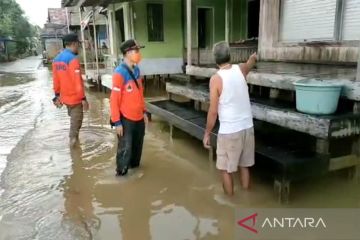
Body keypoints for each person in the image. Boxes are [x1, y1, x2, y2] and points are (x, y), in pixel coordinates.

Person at [203, 41, 257, 196]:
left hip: (230, 132)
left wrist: (207, 133)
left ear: (215, 59)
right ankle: (247, 199)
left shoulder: (216, 79)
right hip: (247, 127)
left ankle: (230, 203)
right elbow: (250, 63)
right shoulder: (240, 69)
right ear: (230, 56)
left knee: (224, 169)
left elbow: (213, 112)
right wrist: (254, 57)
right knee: (244, 166)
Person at [110, 39, 148, 177]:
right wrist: (117, 122)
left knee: (137, 152)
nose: (139, 53)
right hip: (125, 119)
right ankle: (121, 175)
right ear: (128, 53)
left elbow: (140, 93)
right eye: (136, 51)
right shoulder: (119, 73)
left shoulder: (136, 70)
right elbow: (114, 99)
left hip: (139, 117)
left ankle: (135, 175)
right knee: (124, 151)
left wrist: (144, 112)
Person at [52, 33, 89, 147]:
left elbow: (56, 80)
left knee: (74, 121)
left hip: (65, 98)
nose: (78, 46)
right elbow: (77, 81)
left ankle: (75, 143)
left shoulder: (56, 59)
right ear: (73, 44)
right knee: (76, 124)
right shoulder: (73, 59)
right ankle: (74, 153)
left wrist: (57, 95)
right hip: (75, 98)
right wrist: (83, 98)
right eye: (78, 44)